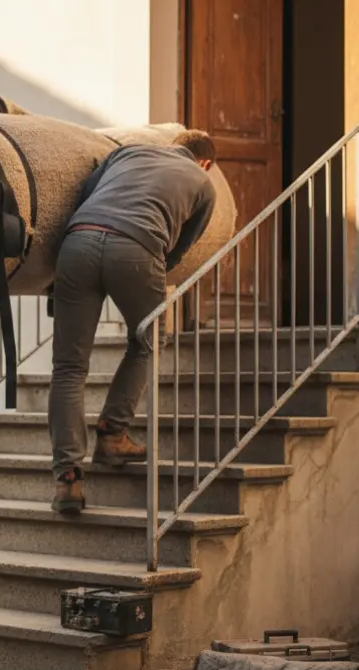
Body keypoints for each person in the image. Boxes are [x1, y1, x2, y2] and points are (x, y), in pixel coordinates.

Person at [49, 131, 217, 515]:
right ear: (204, 162)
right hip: (137, 250)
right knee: (147, 339)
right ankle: (112, 433)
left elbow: (85, 194)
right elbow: (178, 250)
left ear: (173, 144)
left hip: (77, 242)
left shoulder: (127, 152)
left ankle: (68, 480)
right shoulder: (203, 183)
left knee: (69, 367)